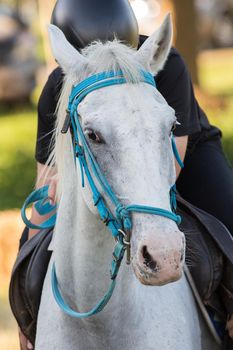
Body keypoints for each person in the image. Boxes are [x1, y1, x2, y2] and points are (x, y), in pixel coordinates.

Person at [18, 0, 233, 348]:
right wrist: (55, 188)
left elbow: (170, 162)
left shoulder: (169, 64)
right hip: (99, 158)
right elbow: (46, 178)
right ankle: (27, 322)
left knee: (228, 211)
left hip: (180, 154)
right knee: (31, 237)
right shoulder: (57, 87)